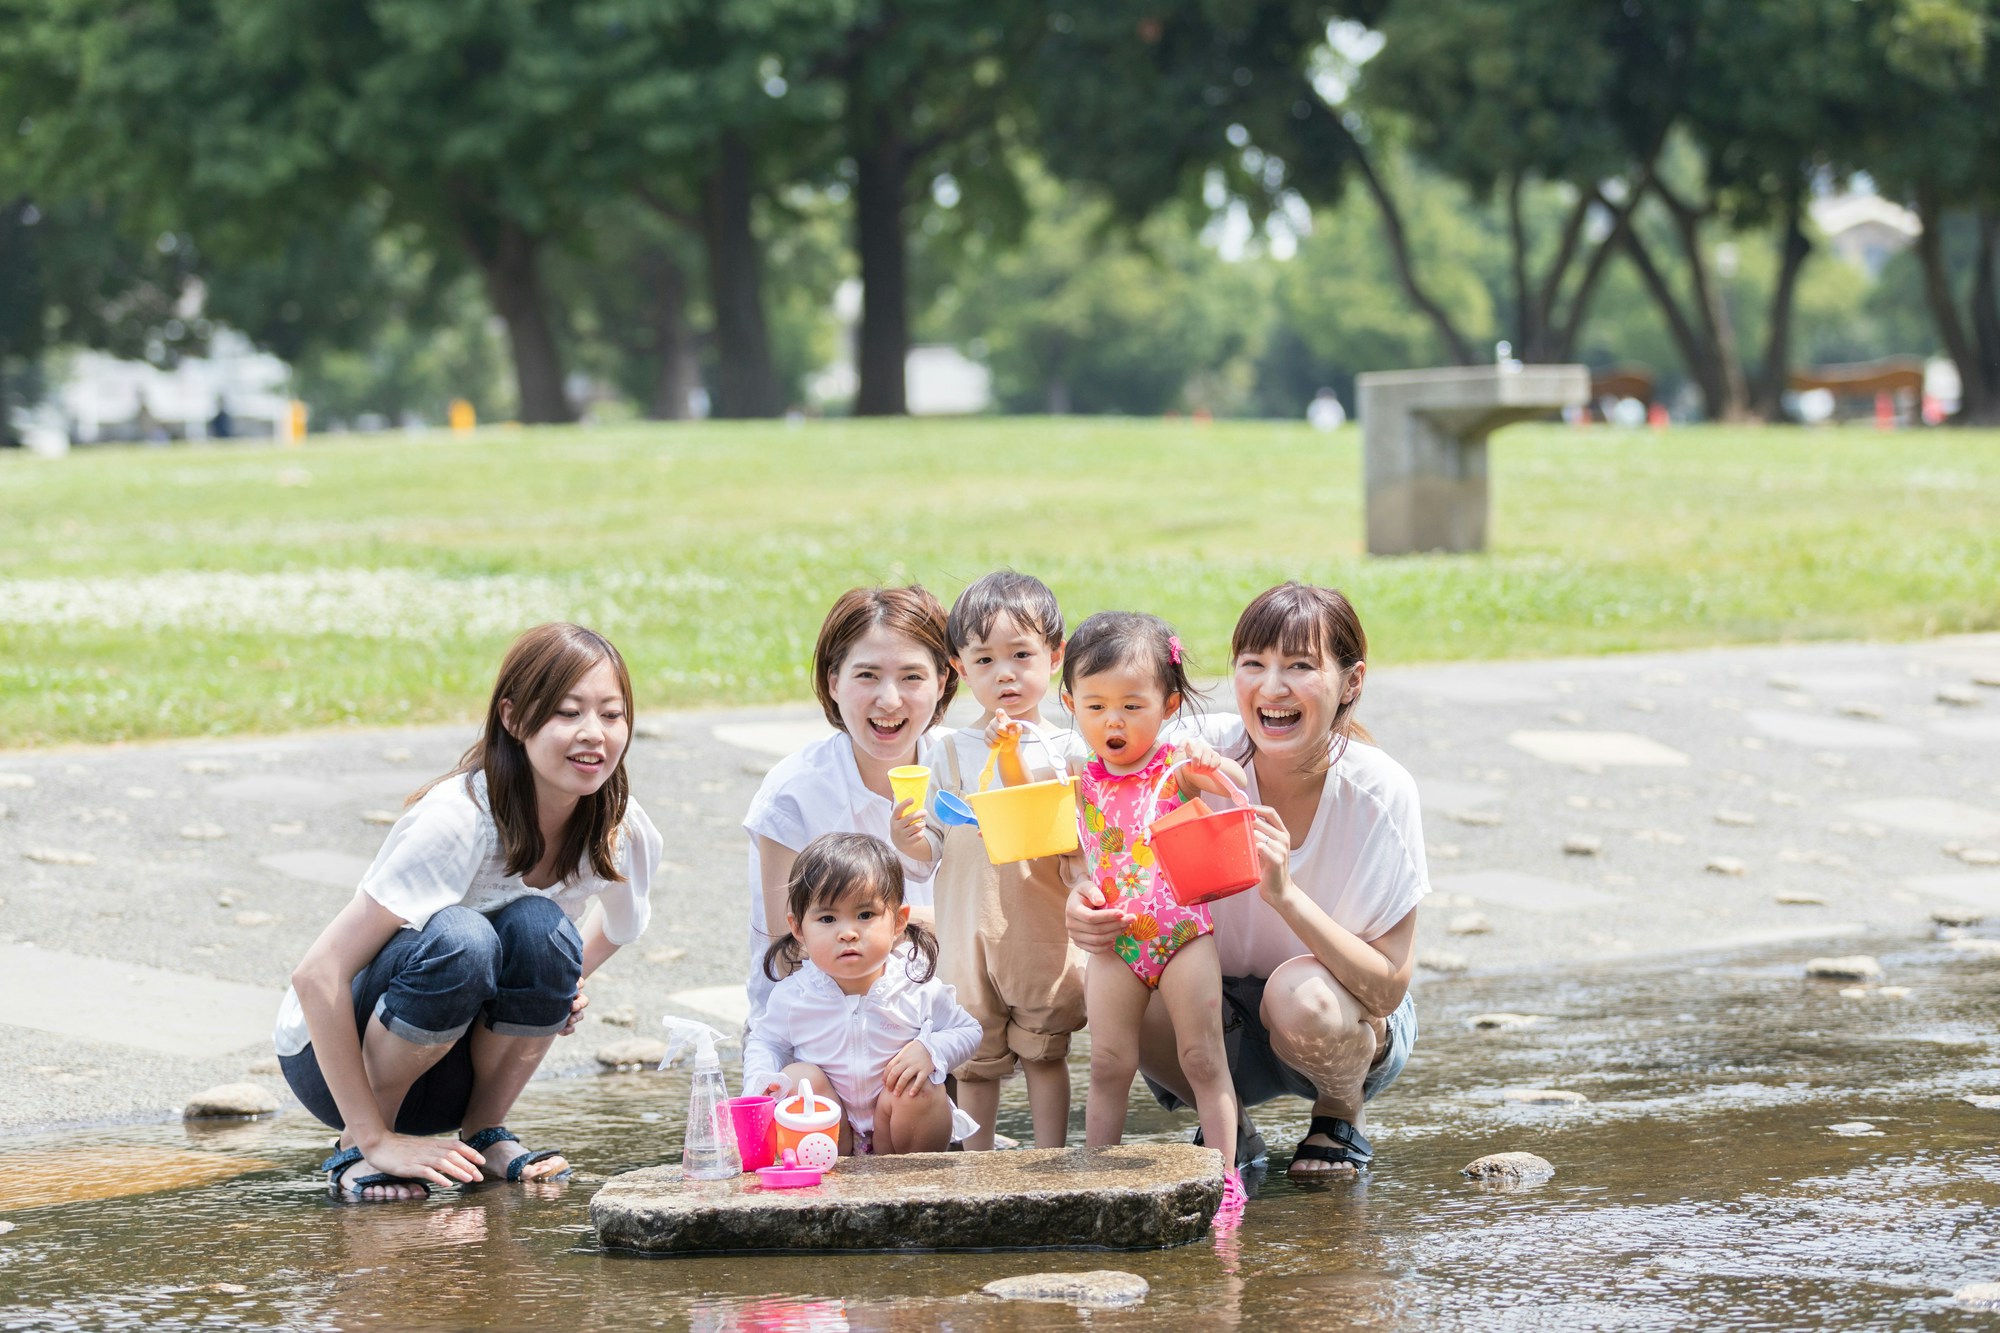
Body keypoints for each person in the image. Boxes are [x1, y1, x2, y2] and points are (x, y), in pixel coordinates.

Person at [277, 623, 663, 1201]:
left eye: (611, 715)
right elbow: (317, 975)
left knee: (543, 930)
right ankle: (358, 1152)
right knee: (464, 937)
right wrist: (372, 1136)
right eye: (567, 713)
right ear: (513, 718)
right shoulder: (458, 820)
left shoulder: (618, 827)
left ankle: (483, 1133)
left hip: (452, 1071)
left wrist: (562, 985)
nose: (594, 735)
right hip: (337, 1068)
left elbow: (620, 926)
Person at [1066, 583, 1426, 1178]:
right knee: (1117, 980)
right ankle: (1231, 1129)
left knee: (1301, 995)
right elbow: (1092, 775)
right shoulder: (1194, 756)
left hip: (1339, 1020)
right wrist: (1081, 895)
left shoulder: (1380, 792)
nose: (1272, 687)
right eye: (1253, 664)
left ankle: (1340, 1114)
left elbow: (1387, 990)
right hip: (1218, 1009)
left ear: (1352, 682)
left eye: (1300, 666)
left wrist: (1284, 895)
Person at [1062, 611, 1249, 1208]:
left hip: (1183, 935)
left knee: (1202, 1056)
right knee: (1109, 1064)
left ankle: (1225, 1179)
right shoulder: (1078, 776)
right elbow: (1063, 847)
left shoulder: (1173, 766)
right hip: (1117, 940)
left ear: (1168, 705)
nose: (1112, 720)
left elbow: (1235, 786)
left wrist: (1209, 763)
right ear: (1070, 704)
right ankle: (1099, 1180)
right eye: (1094, 706)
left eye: (1131, 705)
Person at [742, 586, 954, 1036]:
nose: (890, 700)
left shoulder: (964, 773)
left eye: (912, 677)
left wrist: (853, 920)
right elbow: (787, 948)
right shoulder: (794, 794)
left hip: (944, 1021)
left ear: (943, 680)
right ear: (833, 681)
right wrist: (917, 921)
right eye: (867, 675)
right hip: (817, 1028)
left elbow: (999, 924)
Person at [933, 571, 1087, 1150]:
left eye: (1022, 655)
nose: (1005, 674)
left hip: (1039, 927)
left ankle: (1051, 1158)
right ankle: (978, 1167)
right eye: (984, 660)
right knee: (975, 1057)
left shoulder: (1069, 749)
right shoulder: (947, 749)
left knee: (1045, 1050)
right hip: (967, 926)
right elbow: (929, 849)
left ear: (1054, 656)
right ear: (958, 667)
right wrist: (906, 834)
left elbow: (1083, 843)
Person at [743, 833, 982, 1155]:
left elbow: (969, 1029)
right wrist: (760, 1080)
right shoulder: (794, 996)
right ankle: (830, 1178)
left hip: (900, 1129)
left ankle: (912, 1186)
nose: (848, 932)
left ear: (898, 921)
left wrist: (932, 1050)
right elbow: (765, 1041)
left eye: (865, 915)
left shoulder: (914, 986)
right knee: (798, 1077)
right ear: (798, 928)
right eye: (827, 918)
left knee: (919, 1087)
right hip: (828, 1135)